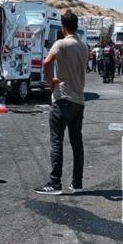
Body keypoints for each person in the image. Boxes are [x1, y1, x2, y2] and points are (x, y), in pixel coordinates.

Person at [35, 12, 89, 195]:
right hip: (79, 100)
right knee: (77, 143)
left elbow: (46, 62)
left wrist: (50, 81)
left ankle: (55, 183)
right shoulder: (84, 46)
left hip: (62, 98)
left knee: (57, 141)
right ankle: (77, 182)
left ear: (63, 26)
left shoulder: (61, 44)